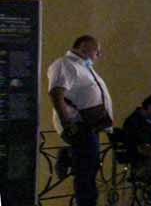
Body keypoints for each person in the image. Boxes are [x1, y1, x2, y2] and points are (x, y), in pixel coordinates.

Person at [47, 34, 113, 206]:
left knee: (90, 165)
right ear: (83, 47)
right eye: (96, 50)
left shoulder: (84, 67)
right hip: (78, 125)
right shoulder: (65, 64)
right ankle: (86, 202)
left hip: (91, 125)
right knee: (87, 170)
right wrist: (68, 124)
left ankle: (69, 156)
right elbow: (56, 93)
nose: (99, 55)